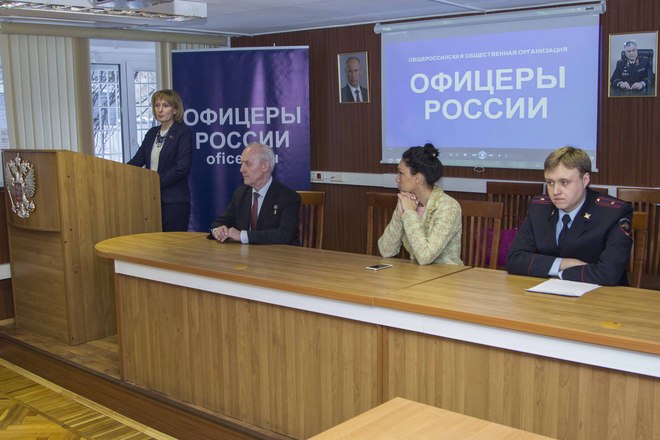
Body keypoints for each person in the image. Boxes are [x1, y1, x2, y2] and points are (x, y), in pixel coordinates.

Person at [506, 147, 632, 286]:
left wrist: (555, 272)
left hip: (603, 295)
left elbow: (609, 273)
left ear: (585, 180)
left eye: (564, 182)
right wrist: (563, 264)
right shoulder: (539, 208)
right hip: (546, 294)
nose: (555, 191)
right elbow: (514, 260)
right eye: (550, 182)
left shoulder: (613, 213)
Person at [378, 143, 462, 265]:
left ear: (417, 178)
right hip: (416, 274)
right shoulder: (408, 201)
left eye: (401, 173)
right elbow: (386, 251)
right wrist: (398, 215)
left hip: (447, 275)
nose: (397, 179)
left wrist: (409, 213)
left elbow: (425, 257)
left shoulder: (449, 206)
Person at [209, 143, 300, 245]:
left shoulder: (288, 197)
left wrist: (242, 236)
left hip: (277, 254)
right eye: (241, 163)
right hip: (244, 253)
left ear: (265, 166)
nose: (241, 169)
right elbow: (220, 222)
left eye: (248, 164)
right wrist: (218, 230)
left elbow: (284, 235)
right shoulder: (240, 194)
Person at [128, 89, 192, 232]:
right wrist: (116, 171)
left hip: (174, 201)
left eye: (165, 105)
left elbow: (182, 167)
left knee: (172, 243)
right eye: (157, 105)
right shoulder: (152, 134)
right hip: (151, 199)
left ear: (175, 110)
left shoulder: (183, 132)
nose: (160, 110)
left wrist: (155, 182)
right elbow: (137, 160)